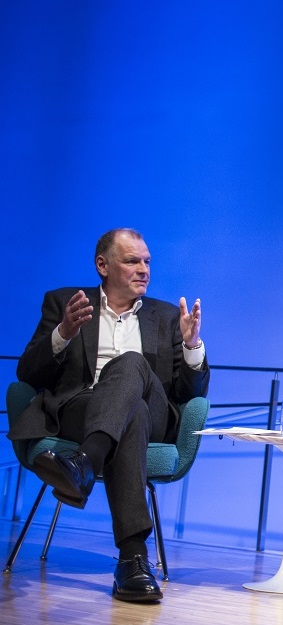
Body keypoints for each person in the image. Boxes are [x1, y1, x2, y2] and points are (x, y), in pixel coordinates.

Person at [8, 228, 209, 603]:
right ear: (103, 265)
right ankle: (133, 560)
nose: (144, 269)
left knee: (131, 366)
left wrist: (191, 344)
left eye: (147, 261)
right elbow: (28, 375)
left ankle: (83, 463)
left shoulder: (166, 317)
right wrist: (63, 333)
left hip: (154, 417)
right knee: (127, 416)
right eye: (132, 260)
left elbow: (188, 395)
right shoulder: (65, 302)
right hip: (80, 409)